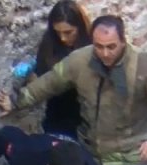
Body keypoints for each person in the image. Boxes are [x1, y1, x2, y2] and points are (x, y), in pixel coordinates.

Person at [0, 15, 147, 165]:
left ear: (123, 42)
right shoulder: (80, 61)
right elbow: (49, 83)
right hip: (95, 161)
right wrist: (17, 101)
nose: (105, 53)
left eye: (111, 47)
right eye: (99, 47)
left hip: (138, 161)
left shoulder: (145, 68)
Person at [16, 1, 93, 138]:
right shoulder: (50, 44)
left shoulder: (92, 45)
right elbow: (41, 81)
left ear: (80, 28)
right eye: (58, 32)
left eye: (68, 32)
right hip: (58, 113)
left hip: (86, 113)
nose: (63, 38)